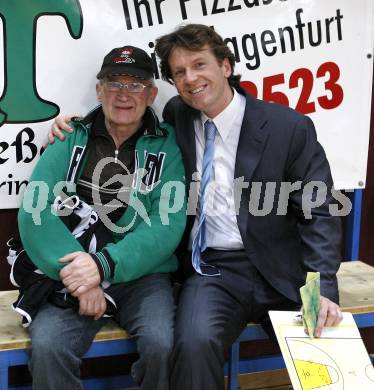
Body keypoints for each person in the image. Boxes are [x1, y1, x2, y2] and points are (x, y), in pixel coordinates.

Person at [50, 24, 343, 390]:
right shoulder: (177, 116)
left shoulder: (288, 127)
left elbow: (319, 213)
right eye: (179, 72)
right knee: (191, 344)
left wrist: (322, 290)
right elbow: (122, 121)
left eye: (199, 65)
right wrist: (71, 126)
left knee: (325, 350)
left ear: (226, 66)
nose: (190, 78)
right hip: (214, 270)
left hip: (283, 270)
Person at [16, 44, 186, 390]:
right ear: (99, 90)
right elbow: (35, 208)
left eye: (136, 84)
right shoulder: (69, 137)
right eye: (114, 83)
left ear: (151, 93)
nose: (124, 94)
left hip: (144, 276)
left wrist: (104, 265)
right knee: (49, 347)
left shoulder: (167, 145)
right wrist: (82, 277)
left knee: (162, 345)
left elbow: (166, 224)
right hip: (72, 272)